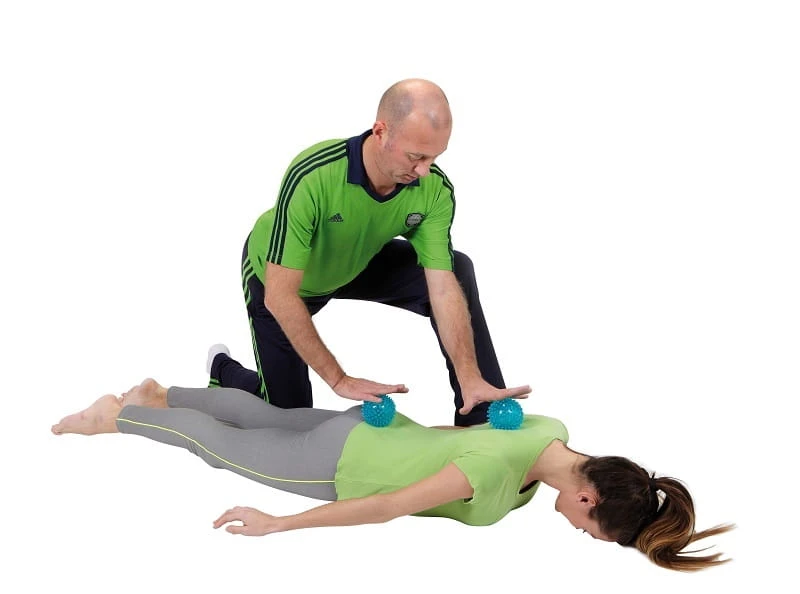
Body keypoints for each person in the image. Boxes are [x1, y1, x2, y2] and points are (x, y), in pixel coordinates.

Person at [51, 379, 733, 571]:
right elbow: (386, 507)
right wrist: (280, 523)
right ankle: (117, 417)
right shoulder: (496, 478)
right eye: (590, 530)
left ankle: (161, 394)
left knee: (264, 415)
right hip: (340, 469)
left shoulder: (549, 429)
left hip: (374, 428)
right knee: (223, 450)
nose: (580, 532)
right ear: (588, 498)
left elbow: (455, 435)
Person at [211, 78, 529, 426]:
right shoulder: (315, 175)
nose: (424, 170)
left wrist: (469, 373)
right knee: (288, 418)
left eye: (434, 157)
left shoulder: (433, 189)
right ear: (381, 132)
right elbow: (280, 295)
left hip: (356, 261)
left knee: (457, 268)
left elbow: (440, 286)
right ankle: (223, 370)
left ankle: (478, 407)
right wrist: (339, 379)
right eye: (416, 156)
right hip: (281, 278)